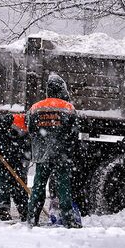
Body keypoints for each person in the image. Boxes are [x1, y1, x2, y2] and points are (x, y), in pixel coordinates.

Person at [26, 73, 81, 228]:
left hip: (42, 155)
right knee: (64, 187)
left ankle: (32, 219)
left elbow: (30, 129)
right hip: (61, 154)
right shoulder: (69, 108)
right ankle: (69, 220)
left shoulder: (35, 107)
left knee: (38, 186)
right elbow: (74, 133)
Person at [0, 113, 30, 221]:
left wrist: (25, 160)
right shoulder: (7, 120)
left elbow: (29, 147)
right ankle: (4, 211)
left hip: (18, 160)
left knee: (20, 187)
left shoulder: (31, 128)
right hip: (1, 158)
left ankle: (24, 212)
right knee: (2, 186)